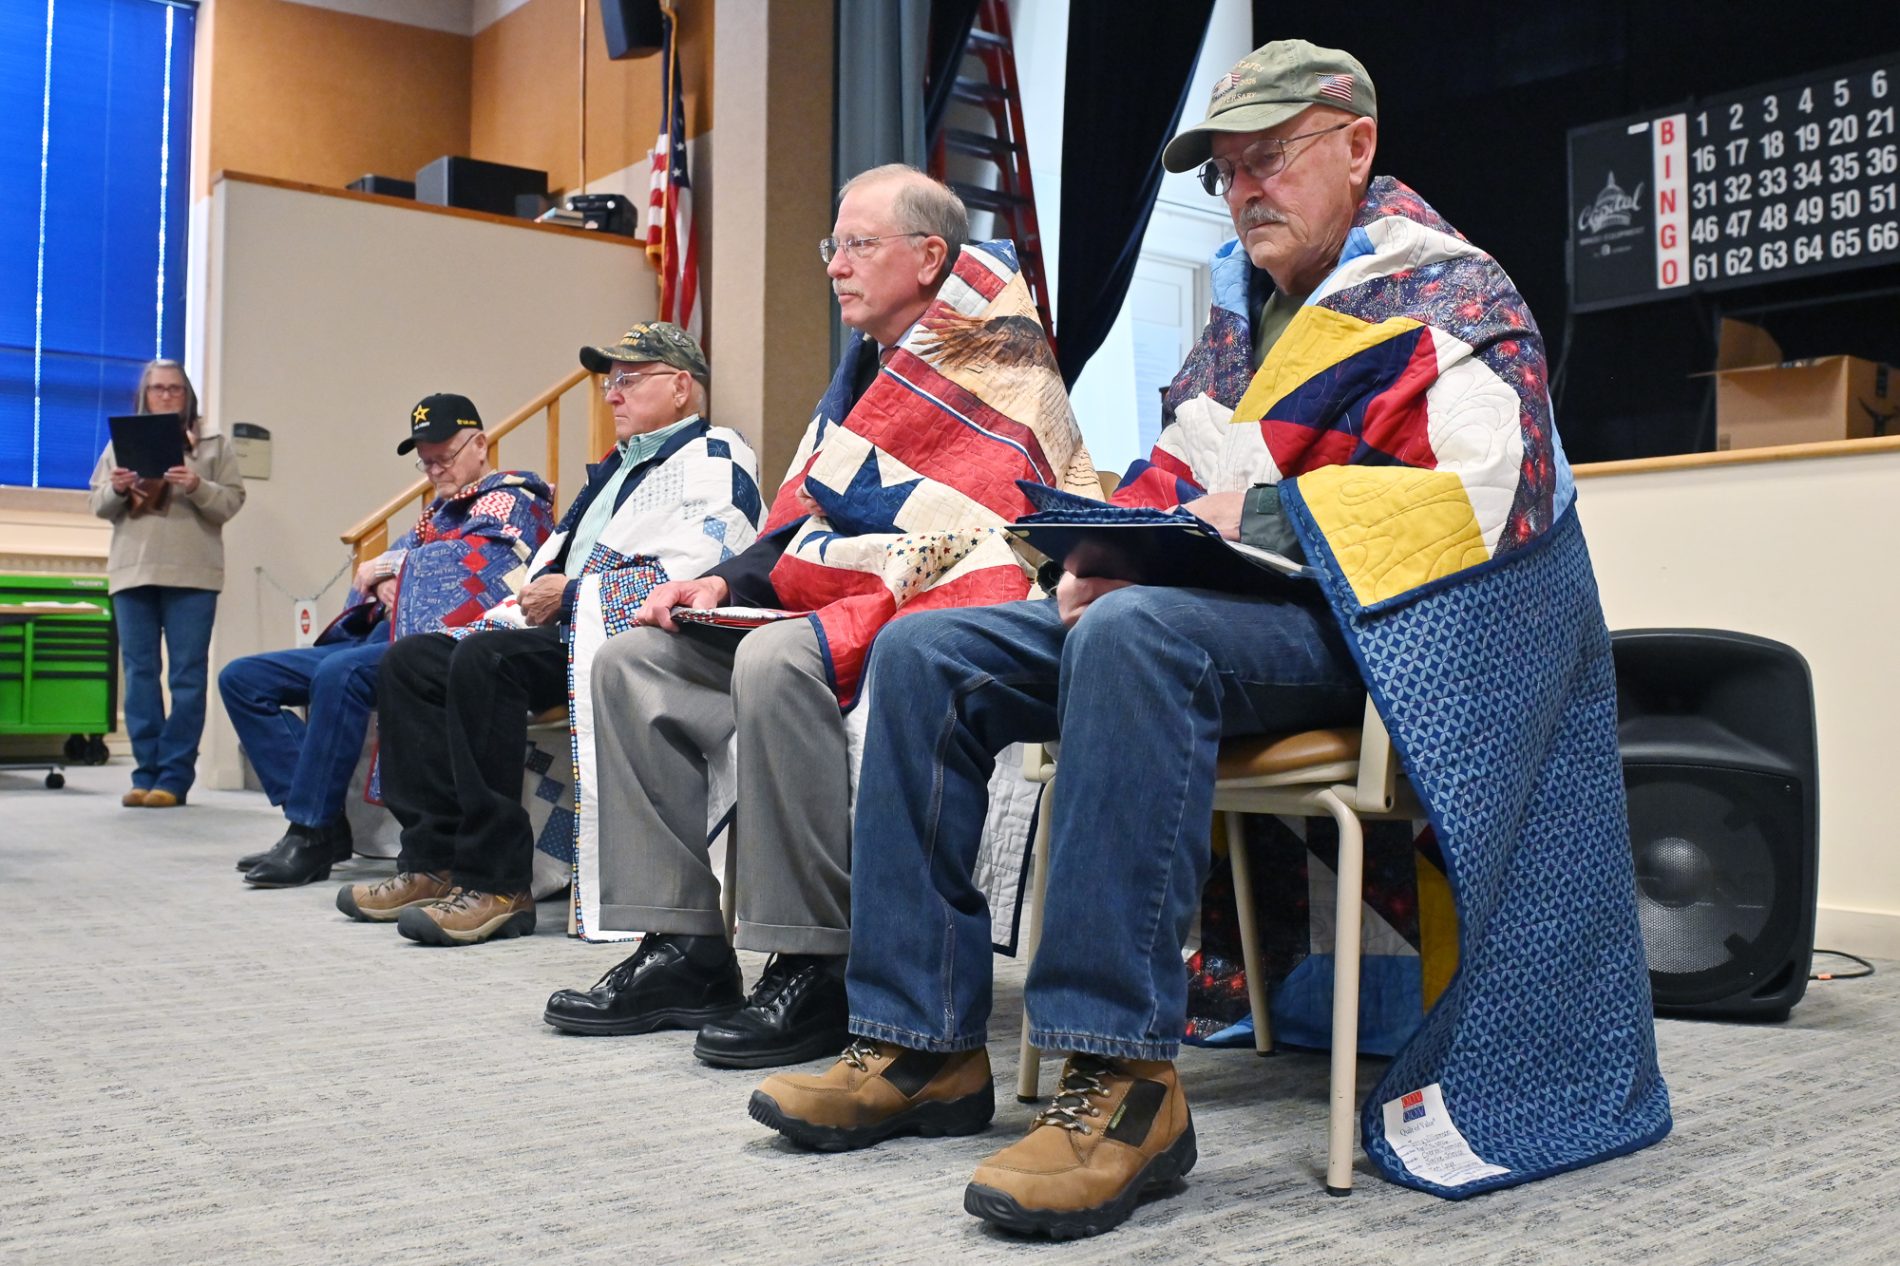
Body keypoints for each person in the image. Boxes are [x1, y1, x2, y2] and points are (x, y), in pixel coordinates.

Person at [749, 39, 1669, 1237]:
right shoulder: (1237, 315)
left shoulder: (1452, 294)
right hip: (1207, 614)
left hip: (1363, 633)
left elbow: (1494, 496)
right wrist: (1100, 550)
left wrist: (1267, 518)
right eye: (1224, 171)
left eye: (1268, 158)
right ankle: (919, 1041)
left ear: (1357, 146)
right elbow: (1171, 477)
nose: (1242, 191)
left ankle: (1122, 1080)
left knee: (1134, 638)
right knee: (932, 653)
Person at [540, 165, 1099, 1070]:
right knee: (633, 663)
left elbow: (989, 535)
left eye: (858, 245)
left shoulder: (998, 356)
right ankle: (683, 946)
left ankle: (814, 962)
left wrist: (856, 597)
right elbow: (805, 525)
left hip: (943, 612)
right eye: (832, 246)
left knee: (777, 660)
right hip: (839, 599)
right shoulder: (864, 373)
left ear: (929, 256)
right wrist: (717, 583)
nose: (835, 266)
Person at [341, 321, 764, 947]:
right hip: (570, 624)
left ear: (681, 387)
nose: (611, 395)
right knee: (411, 661)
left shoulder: (717, 459)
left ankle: (497, 885)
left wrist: (569, 595)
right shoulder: (616, 469)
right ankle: (433, 860)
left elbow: (695, 570)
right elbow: (556, 561)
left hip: (637, 638)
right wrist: (549, 595)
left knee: (486, 659)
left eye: (628, 379)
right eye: (609, 382)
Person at [219, 394, 555, 888]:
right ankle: (322, 821)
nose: (435, 470)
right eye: (426, 461)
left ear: (481, 445)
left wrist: (392, 568)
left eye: (444, 456)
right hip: (383, 633)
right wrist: (381, 579)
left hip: (442, 643)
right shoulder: (436, 513)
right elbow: (371, 576)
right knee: (243, 679)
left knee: (339, 674)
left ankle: (309, 831)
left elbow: (479, 571)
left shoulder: (513, 499)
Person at [87, 360, 245, 809]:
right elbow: (97, 504)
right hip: (132, 570)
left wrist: (196, 485)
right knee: (139, 676)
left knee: (187, 678)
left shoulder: (212, 445)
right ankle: (145, 774)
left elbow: (231, 502)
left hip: (193, 573)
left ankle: (174, 777)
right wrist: (118, 489)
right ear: (145, 395)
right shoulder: (121, 444)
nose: (166, 395)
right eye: (158, 388)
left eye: (175, 388)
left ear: (187, 394)